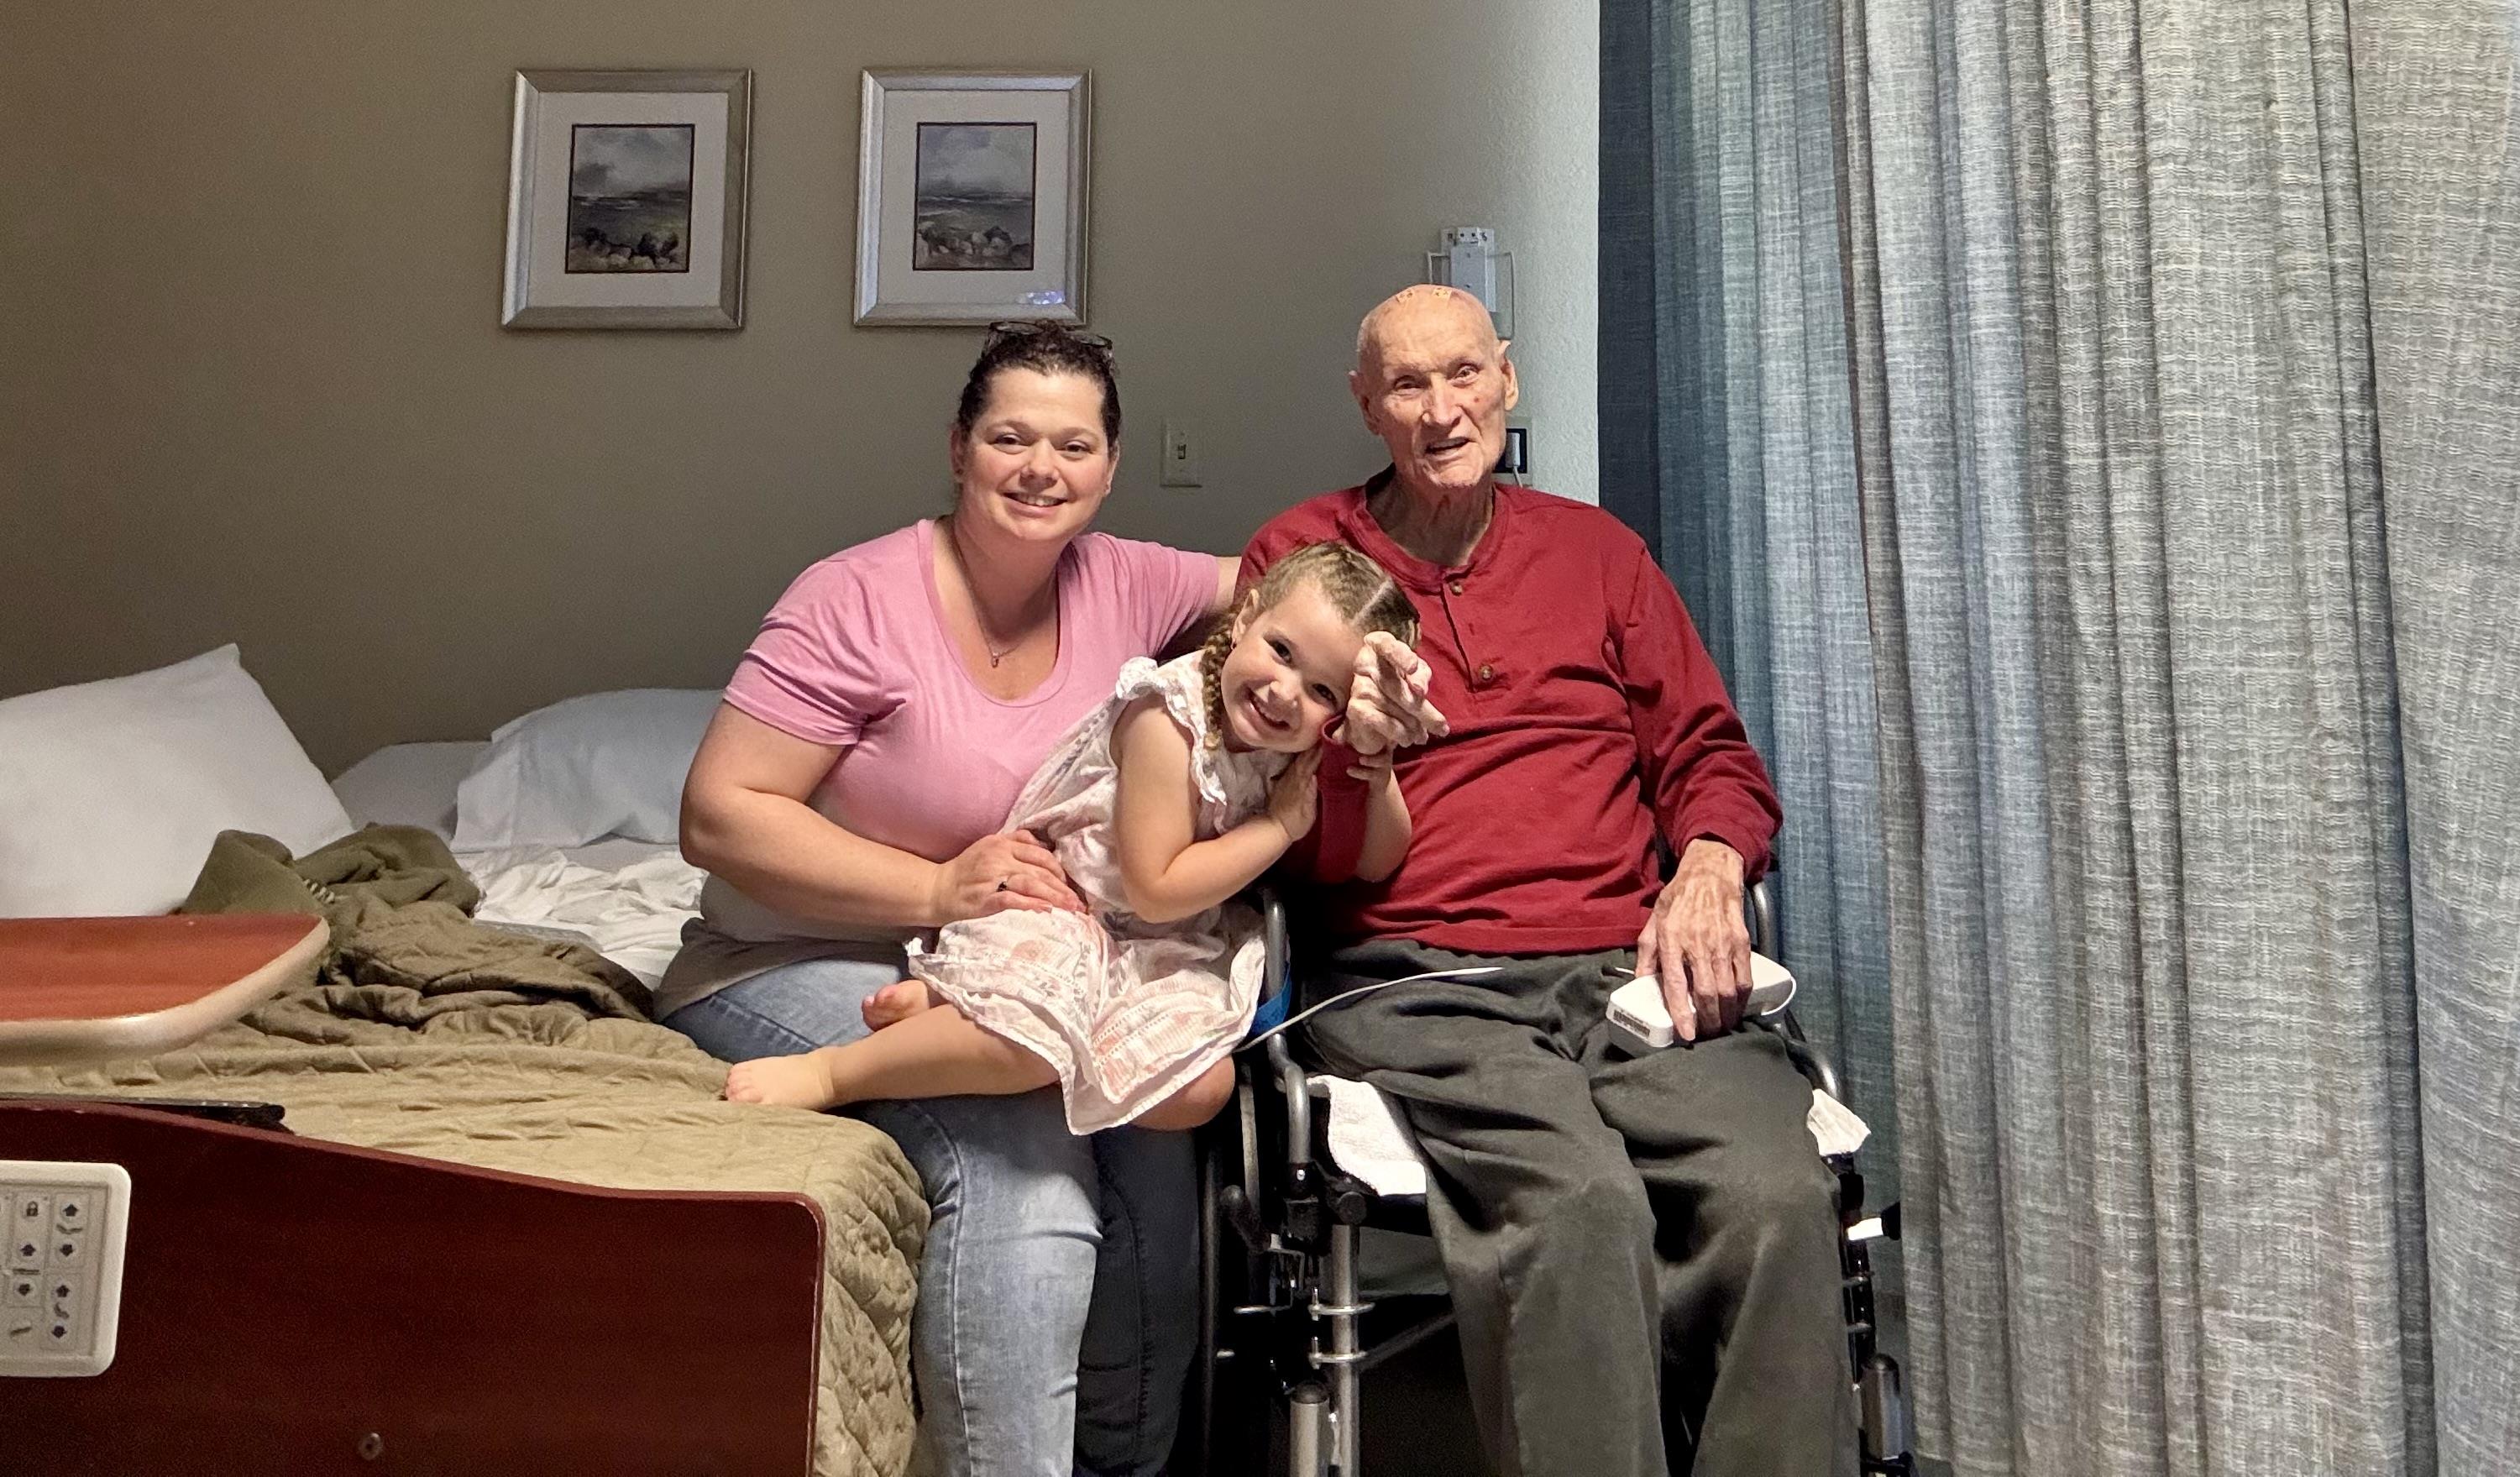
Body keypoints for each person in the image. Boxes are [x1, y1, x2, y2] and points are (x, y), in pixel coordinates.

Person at [1242, 285, 1857, 1477]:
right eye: (1407, 384)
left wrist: (1712, 863)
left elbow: (1709, 755)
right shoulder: (1302, 564)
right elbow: (1268, 810)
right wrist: (1353, 753)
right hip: (1420, 978)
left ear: (1507, 381)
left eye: (1462, 374)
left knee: (1772, 1192)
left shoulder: (1597, 551)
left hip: (1629, 967)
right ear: (1364, 404)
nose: (1439, 408)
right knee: (1578, 1204)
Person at [657, 321, 1234, 1477]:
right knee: (1018, 1146)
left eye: (1073, 444)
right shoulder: (852, 597)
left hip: (1022, 967)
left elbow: (1301, 597)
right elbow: (718, 812)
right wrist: (933, 883)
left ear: (1110, 466)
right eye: (1009, 436)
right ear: (959, 449)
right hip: (803, 955)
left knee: (1161, 1170)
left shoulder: (1134, 579)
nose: (1040, 467)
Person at [722, 542, 1421, 1135]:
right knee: (1029, 1046)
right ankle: (835, 1071)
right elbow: (1154, 888)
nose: (1284, 691)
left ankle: (959, 1016)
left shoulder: (1290, 739)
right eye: (1280, 650)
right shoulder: (1166, 718)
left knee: (1200, 1091)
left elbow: (1380, 856)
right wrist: (1276, 827)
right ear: (1242, 620)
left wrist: (1375, 762)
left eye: (1323, 691)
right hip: (1063, 904)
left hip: (1150, 942)